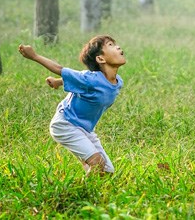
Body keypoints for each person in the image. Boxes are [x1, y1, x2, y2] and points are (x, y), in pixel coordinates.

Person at [18, 36, 126, 175]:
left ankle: (88, 166)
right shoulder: (90, 79)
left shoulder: (118, 82)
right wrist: (34, 56)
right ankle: (80, 192)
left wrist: (58, 82)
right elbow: (60, 69)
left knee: (107, 171)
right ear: (100, 59)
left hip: (85, 129)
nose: (117, 47)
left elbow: (79, 81)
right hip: (66, 124)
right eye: (111, 45)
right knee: (97, 163)